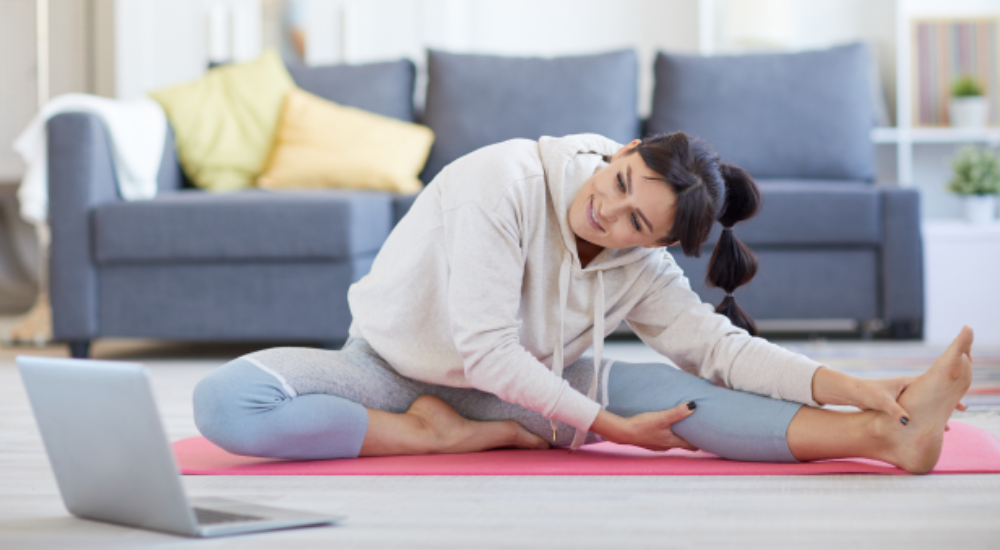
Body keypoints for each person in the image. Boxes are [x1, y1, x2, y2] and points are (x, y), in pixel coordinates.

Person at [193, 132, 973, 474]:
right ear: (624, 151)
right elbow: (489, 348)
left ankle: (885, 434)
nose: (611, 211)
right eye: (621, 182)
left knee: (687, 402)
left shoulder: (642, 258)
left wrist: (858, 384)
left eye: (638, 220)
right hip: (391, 367)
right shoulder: (503, 182)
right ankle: (445, 436)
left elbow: (721, 349)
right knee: (227, 400)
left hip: (519, 391)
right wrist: (607, 426)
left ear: (659, 244)